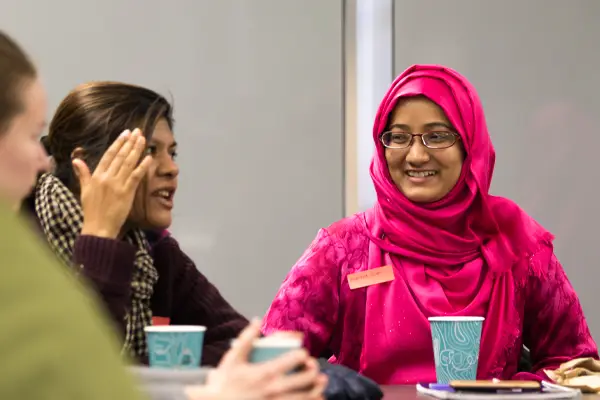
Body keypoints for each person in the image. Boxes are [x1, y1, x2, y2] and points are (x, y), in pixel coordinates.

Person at [262, 64, 599, 384]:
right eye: (398, 136)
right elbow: (269, 364)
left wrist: (509, 390)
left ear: (470, 145)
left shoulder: (516, 245)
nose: (416, 156)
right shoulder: (343, 248)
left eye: (437, 136)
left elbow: (576, 365)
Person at [24, 81, 249, 366]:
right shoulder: (21, 243)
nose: (171, 168)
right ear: (86, 167)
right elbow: (72, 371)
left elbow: (244, 345)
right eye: (150, 151)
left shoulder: (155, 252)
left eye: (172, 153)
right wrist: (100, 236)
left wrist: (137, 372)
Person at [0, 28, 145, 400]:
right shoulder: (22, 242)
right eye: (32, 135)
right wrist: (99, 233)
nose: (42, 158)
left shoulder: (150, 245)